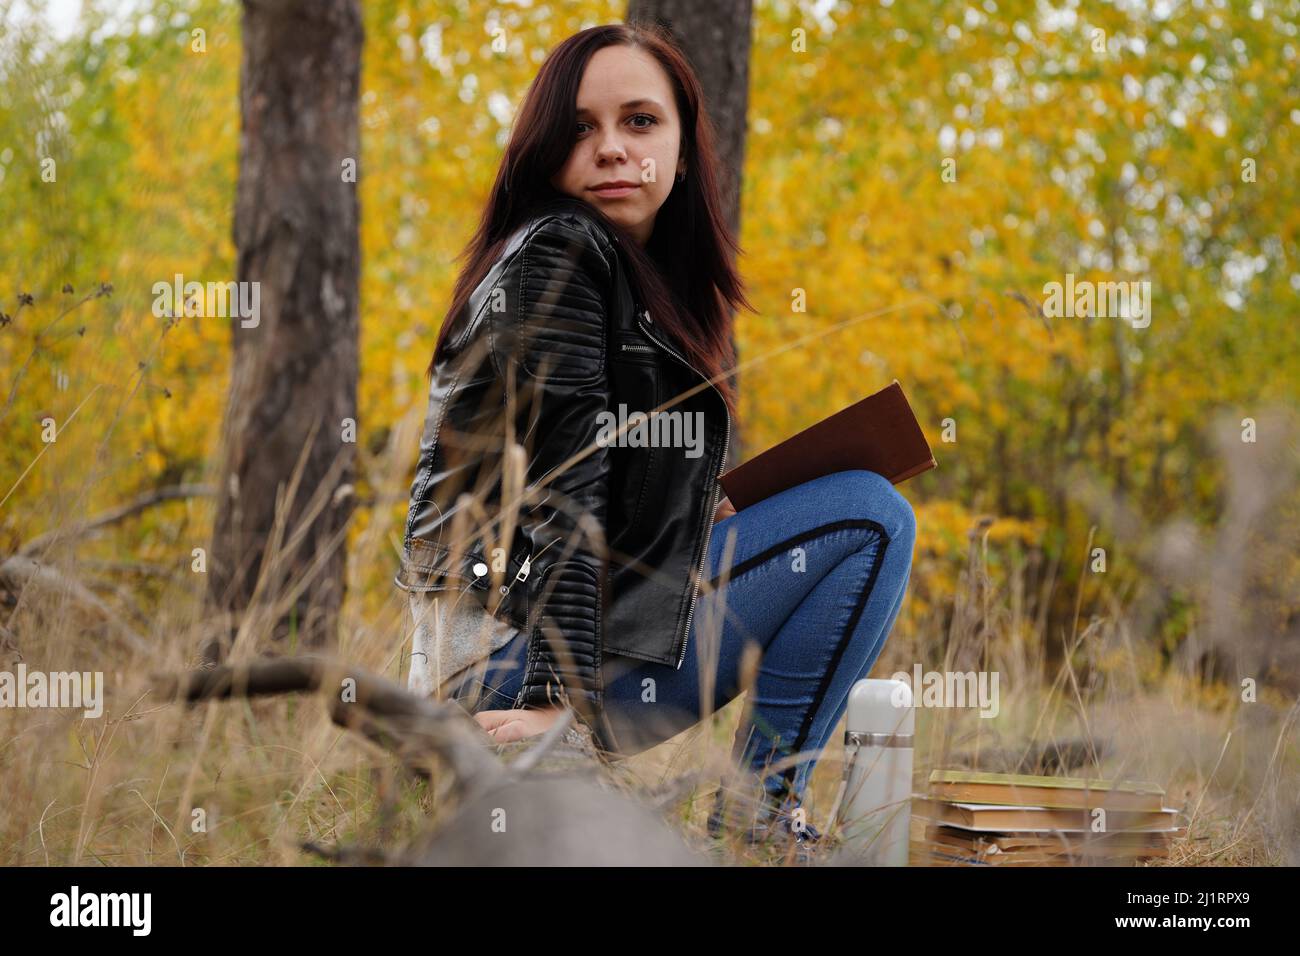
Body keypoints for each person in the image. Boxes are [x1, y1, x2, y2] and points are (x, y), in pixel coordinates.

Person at [396, 23, 915, 849]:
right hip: (504, 677)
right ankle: (761, 815)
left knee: (855, 509)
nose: (610, 148)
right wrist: (550, 704)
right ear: (543, 152)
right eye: (580, 127)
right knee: (868, 516)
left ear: (680, 146)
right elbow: (561, 492)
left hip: (520, 666)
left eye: (640, 121)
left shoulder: (629, 282)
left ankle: (759, 815)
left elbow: (587, 480)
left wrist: (691, 518)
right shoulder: (559, 253)